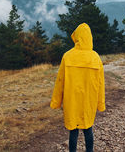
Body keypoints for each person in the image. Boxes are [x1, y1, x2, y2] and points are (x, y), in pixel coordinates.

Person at [50, 23, 105, 152]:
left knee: (73, 132)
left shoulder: (67, 56)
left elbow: (60, 81)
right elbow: (101, 84)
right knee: (88, 129)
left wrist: (56, 102)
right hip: (88, 101)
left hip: (72, 100)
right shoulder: (95, 58)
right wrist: (100, 104)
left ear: (77, 37)